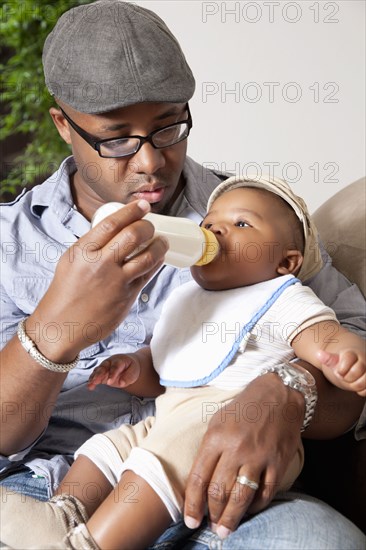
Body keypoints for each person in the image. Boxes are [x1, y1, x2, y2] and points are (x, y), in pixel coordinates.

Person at [0, 1, 365, 548]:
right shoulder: (10, 243)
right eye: (117, 138)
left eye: (168, 126)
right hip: (54, 486)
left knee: (319, 539)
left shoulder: (255, 221)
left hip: (221, 492)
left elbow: (351, 356)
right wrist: (60, 325)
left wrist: (289, 391)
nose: (149, 162)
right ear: (63, 125)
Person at [2, 175, 365, 550]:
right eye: (209, 223)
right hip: (166, 423)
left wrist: (345, 355)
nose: (216, 228)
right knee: (107, 449)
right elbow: (165, 369)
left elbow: (323, 336)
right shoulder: (189, 300)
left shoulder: (281, 297)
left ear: (286, 263)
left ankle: (90, 545)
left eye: (241, 224)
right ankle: (65, 513)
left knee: (159, 465)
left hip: (229, 434)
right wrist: (134, 369)